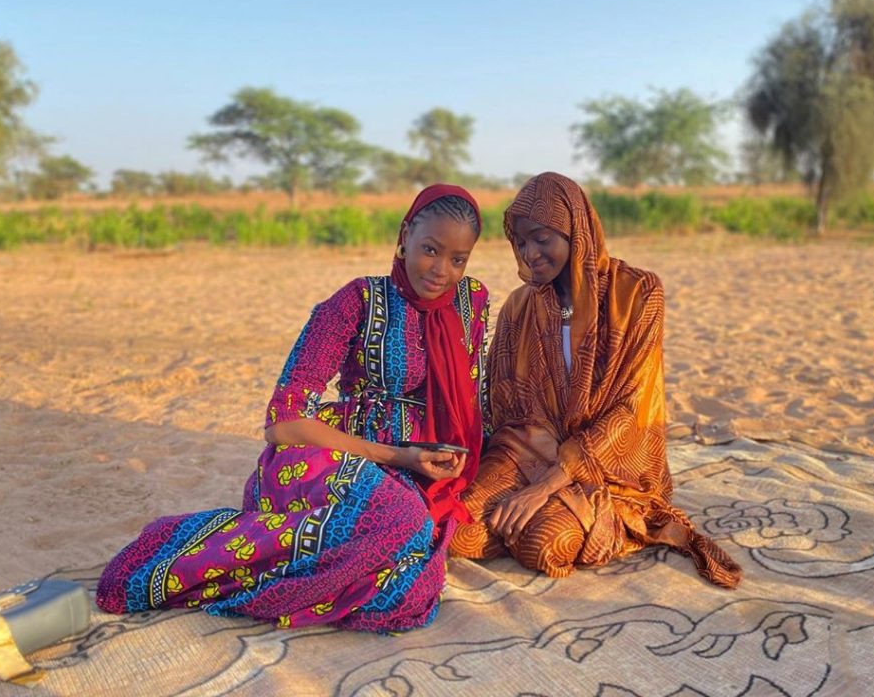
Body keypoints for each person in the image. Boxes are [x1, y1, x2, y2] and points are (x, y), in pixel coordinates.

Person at [97, 184, 490, 632]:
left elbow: (470, 401)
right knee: (399, 521)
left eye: (457, 259)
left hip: (418, 469)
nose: (441, 270)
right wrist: (395, 455)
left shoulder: (472, 301)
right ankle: (175, 555)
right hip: (338, 455)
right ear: (404, 236)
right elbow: (282, 424)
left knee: (410, 593)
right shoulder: (357, 301)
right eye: (430, 250)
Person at [450, 172, 740, 588]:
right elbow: (509, 409)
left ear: (575, 229)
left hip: (608, 466)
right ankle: (537, 514)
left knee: (548, 543)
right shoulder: (520, 306)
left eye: (541, 238)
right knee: (458, 529)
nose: (530, 253)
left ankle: (592, 516)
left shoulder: (637, 293)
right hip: (528, 451)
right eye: (521, 241)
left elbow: (631, 407)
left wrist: (548, 485)